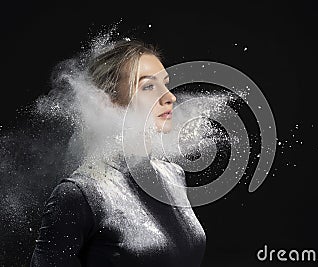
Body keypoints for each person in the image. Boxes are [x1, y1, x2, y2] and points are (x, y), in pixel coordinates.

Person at [30, 39, 207, 266]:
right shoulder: (81, 193)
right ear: (109, 102)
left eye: (166, 84)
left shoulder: (173, 175)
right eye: (148, 87)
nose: (170, 97)